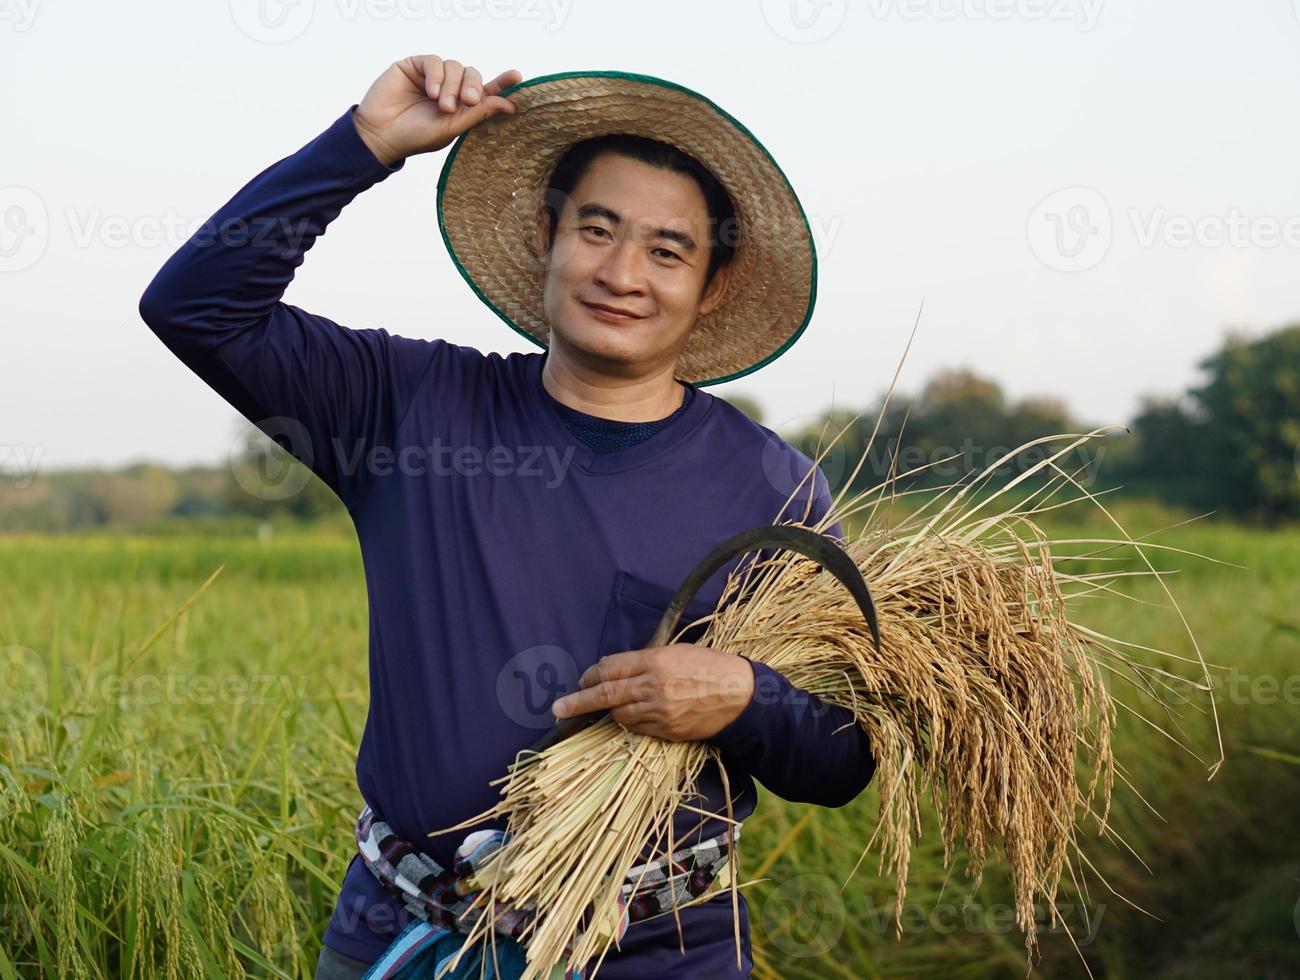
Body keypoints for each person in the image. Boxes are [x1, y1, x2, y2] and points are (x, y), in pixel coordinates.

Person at [139, 55, 876, 978]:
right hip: (402, 930)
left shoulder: (772, 488)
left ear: (713, 285)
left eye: (666, 250)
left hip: (653, 948)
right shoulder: (407, 409)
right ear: (546, 238)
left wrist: (742, 697)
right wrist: (363, 145)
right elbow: (197, 308)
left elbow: (845, 756)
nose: (621, 273)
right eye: (596, 230)